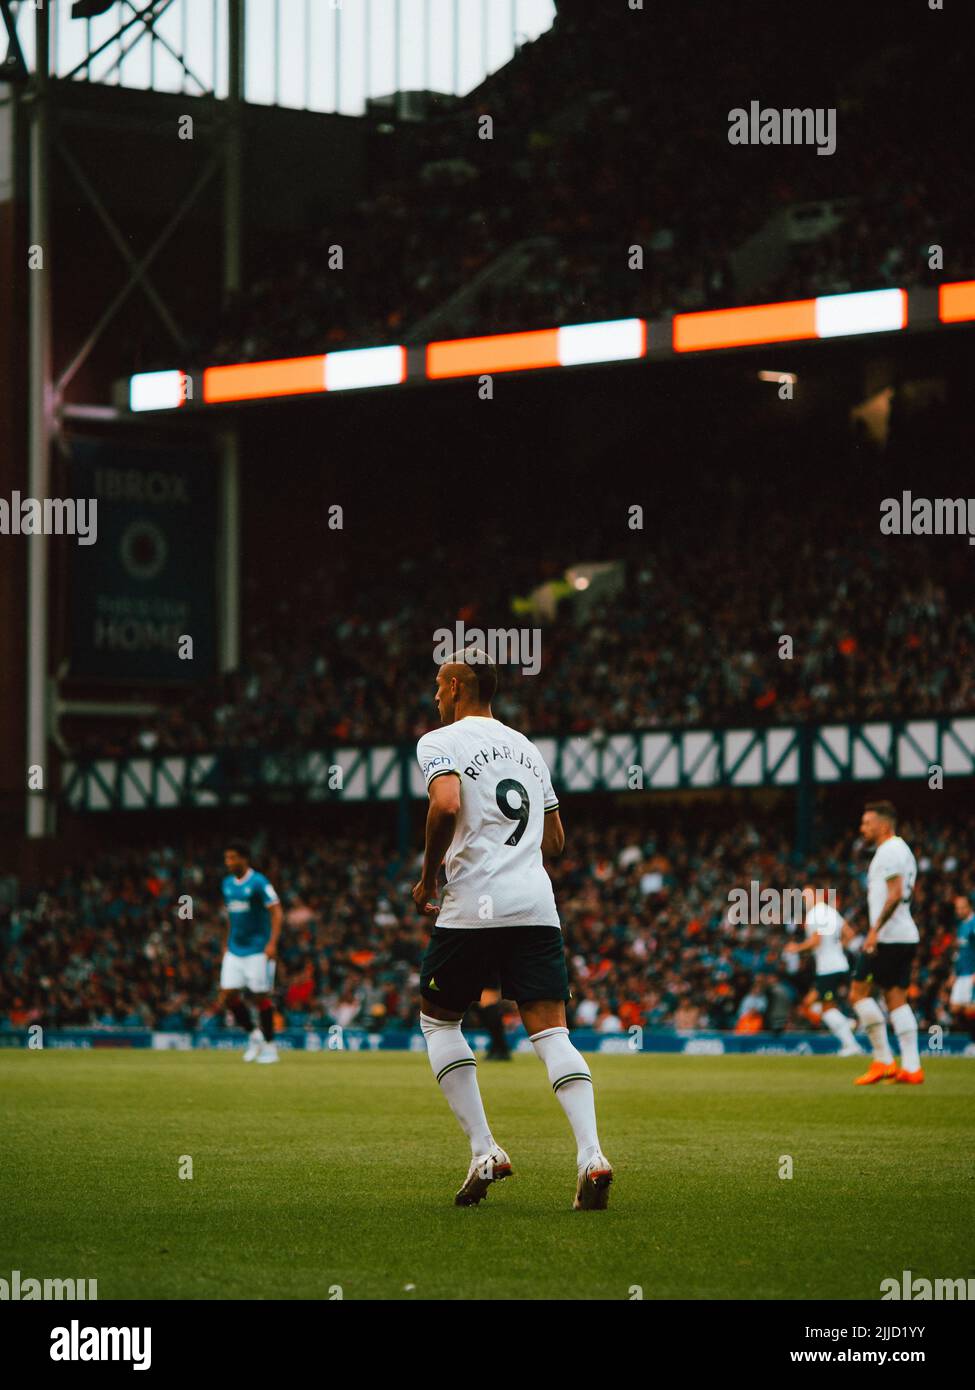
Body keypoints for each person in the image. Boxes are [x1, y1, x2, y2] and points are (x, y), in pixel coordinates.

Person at [412, 650, 612, 1209]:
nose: (433, 695)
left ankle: (484, 1149)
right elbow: (556, 841)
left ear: (454, 686)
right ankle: (591, 1154)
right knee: (552, 1034)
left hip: (473, 904)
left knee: (439, 1022)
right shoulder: (527, 748)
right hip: (534, 904)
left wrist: (430, 874)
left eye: (437, 685)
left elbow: (446, 803)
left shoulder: (439, 741)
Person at [849, 802, 922, 1085]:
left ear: (882, 824)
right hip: (905, 935)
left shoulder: (890, 850)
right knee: (896, 1000)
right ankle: (912, 1067)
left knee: (858, 994)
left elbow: (894, 894)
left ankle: (883, 1060)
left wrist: (873, 931)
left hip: (888, 937)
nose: (862, 828)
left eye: (867, 823)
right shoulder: (901, 850)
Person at [216, 841, 282, 1064]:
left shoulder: (258, 882)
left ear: (245, 858)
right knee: (227, 995)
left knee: (260, 995)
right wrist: (225, 943)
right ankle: (255, 1037)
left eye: (233, 858)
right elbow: (231, 918)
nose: (229, 862)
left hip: (257, 949)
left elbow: (276, 912)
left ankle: (271, 1047)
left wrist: (272, 943)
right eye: (227, 858)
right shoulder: (226, 884)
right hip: (235, 949)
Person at [784, 886, 863, 1055]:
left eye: (805, 898)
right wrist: (837, 948)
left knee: (825, 1010)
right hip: (840, 965)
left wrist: (796, 948)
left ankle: (850, 1039)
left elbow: (816, 941)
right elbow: (850, 934)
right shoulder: (832, 912)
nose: (804, 902)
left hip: (828, 968)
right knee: (812, 1004)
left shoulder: (813, 915)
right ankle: (847, 1030)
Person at [947, 894, 975, 1042]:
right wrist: (953, 973)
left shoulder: (973, 923)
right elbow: (959, 952)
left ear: (970, 906)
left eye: (962, 907)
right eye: (957, 908)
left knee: (971, 1009)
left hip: (972, 973)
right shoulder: (961, 925)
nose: (959, 910)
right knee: (955, 1008)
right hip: (961, 973)